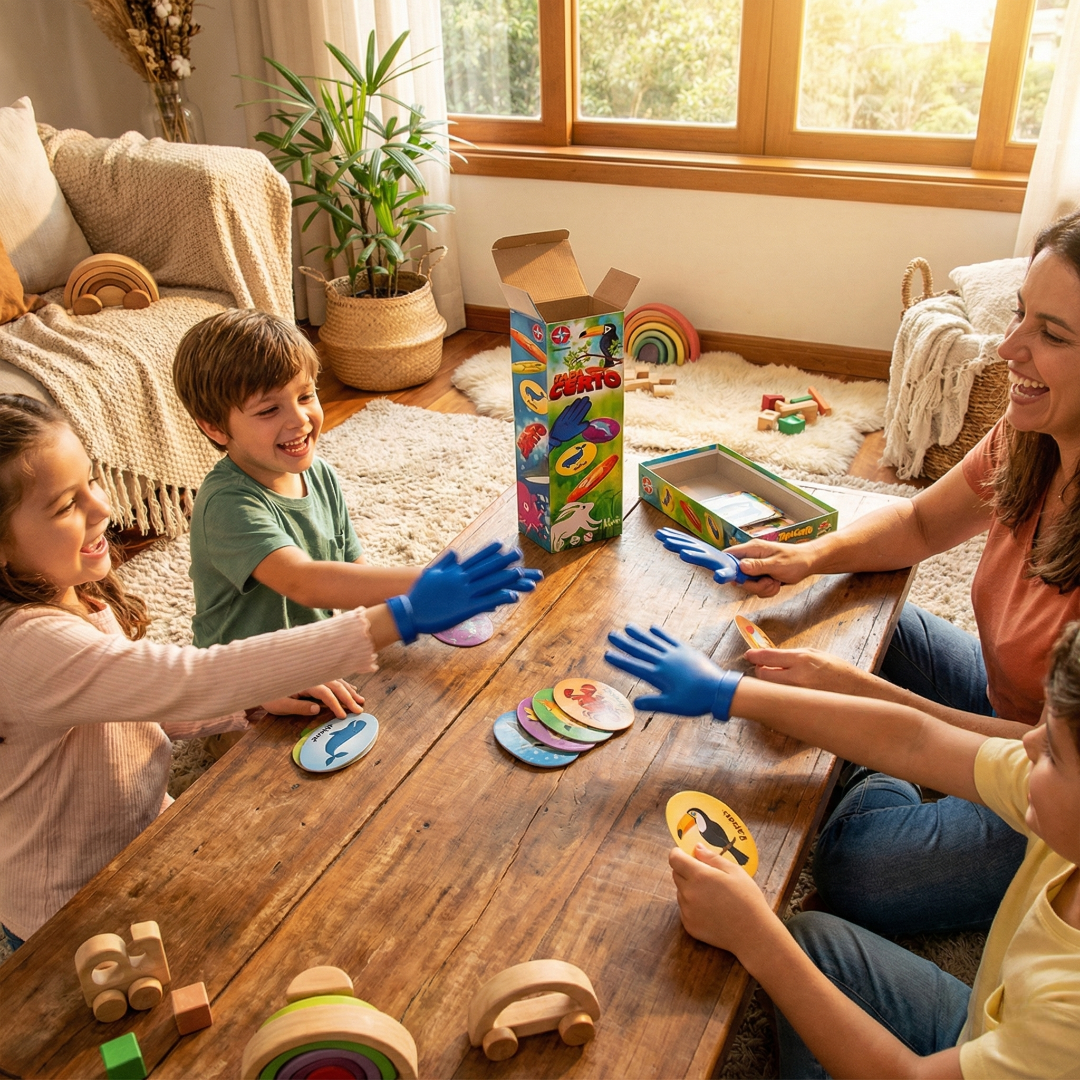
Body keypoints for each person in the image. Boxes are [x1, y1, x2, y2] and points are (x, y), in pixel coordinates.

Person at [653, 208, 1080, 934]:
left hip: (1051, 787)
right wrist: (806, 556)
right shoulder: (1029, 437)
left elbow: (1049, 753)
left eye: (1052, 334)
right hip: (1010, 710)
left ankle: (865, 765)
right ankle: (864, 745)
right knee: (879, 622)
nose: (1009, 347)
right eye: (1020, 316)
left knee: (857, 867)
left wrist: (868, 707)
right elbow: (916, 524)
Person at [0, 394, 540, 949]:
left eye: (92, 480)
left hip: (143, 838)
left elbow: (141, 702)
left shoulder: (72, 596)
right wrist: (398, 616)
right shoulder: (26, 645)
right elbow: (190, 680)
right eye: (66, 505)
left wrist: (254, 700)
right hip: (67, 910)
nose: (103, 508)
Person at [605, 621, 1080, 1078]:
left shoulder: (1069, 1015)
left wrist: (754, 937)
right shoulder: (1064, 818)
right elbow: (918, 740)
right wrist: (728, 693)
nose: (1027, 741)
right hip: (983, 1033)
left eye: (1053, 750)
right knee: (810, 940)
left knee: (782, 944)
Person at [172, 308, 435, 720]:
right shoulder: (226, 505)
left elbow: (353, 571)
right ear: (215, 429)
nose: (299, 419)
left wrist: (417, 607)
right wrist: (429, 583)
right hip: (240, 691)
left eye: (305, 396)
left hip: (314, 660)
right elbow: (305, 582)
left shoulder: (319, 473)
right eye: (267, 411)